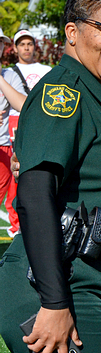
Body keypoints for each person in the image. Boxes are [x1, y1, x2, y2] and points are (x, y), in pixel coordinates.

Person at [0, 0, 101, 353]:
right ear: (72, 32)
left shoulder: (100, 99)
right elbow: (33, 194)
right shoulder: (62, 94)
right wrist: (55, 301)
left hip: (83, 283)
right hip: (54, 285)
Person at [7, 29, 52, 237]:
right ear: (15, 48)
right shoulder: (9, 72)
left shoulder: (47, 69)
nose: (26, 48)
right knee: (13, 173)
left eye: (29, 44)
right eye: (21, 44)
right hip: (13, 124)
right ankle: (16, 222)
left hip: (41, 121)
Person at [0, 28, 28, 239]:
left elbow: (23, 104)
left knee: (14, 196)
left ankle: (16, 229)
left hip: (7, 147)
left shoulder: (9, 74)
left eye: (0, 43)